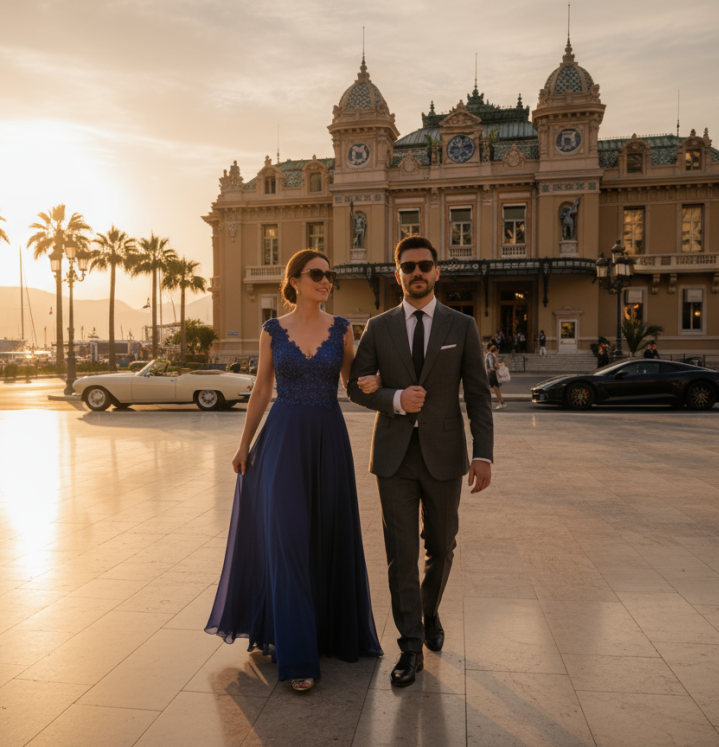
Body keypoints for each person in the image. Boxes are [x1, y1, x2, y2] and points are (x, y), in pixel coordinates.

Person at [206, 249, 383, 693]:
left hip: (328, 440)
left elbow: (352, 384)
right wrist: (244, 444)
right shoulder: (271, 330)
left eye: (330, 275)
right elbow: (263, 389)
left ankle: (326, 633)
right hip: (282, 441)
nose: (326, 281)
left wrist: (375, 384)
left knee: (327, 535)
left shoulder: (343, 329)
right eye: (317, 274)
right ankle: (298, 656)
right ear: (295, 281)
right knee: (287, 542)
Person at [348, 236, 494, 688]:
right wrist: (394, 399)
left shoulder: (461, 326)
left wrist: (484, 453)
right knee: (401, 555)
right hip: (393, 457)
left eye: (424, 266)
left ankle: (429, 611)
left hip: (446, 456)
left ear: (436, 272)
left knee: (442, 546)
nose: (417, 273)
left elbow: (477, 394)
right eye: (408, 266)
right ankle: (410, 645)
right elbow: (356, 386)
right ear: (398, 274)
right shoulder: (379, 326)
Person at [485, 342, 506, 410]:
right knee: (495, 388)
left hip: (491, 373)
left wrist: (497, 366)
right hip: (492, 373)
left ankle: (487, 403)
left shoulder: (489, 355)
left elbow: (492, 365)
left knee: (488, 388)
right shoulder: (491, 355)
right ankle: (501, 402)